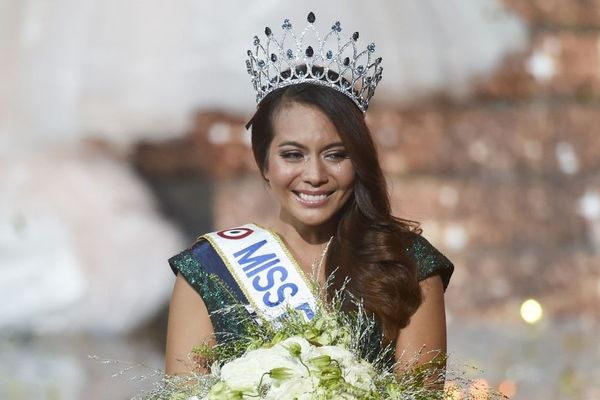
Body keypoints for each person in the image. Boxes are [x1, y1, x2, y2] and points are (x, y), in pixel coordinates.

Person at [165, 12, 453, 377]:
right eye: (292, 155)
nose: (315, 175)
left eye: (336, 154)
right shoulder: (210, 269)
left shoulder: (407, 264)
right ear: (264, 163)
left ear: (358, 161)